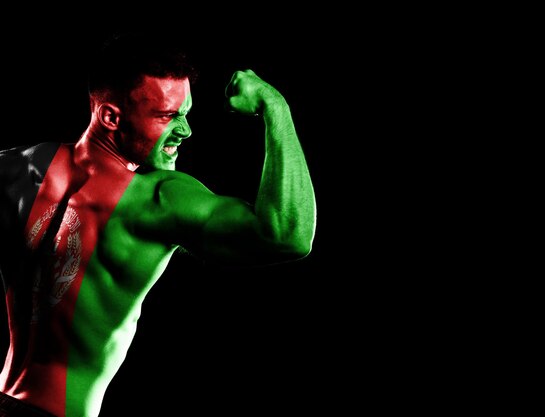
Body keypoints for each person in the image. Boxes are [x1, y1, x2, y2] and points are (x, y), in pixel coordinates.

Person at [0, 33, 316, 417]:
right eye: (168, 116)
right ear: (111, 117)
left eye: (185, 114)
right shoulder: (157, 199)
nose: (185, 131)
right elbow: (287, 234)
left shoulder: (18, 168)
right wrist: (274, 106)